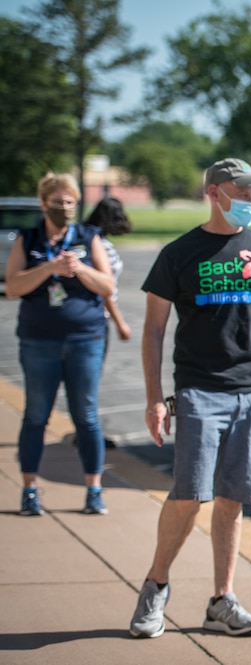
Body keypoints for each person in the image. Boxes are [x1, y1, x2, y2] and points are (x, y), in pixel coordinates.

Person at [128, 158, 251, 639]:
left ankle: (222, 601)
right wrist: (154, 399)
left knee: (232, 499)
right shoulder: (180, 253)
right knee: (189, 495)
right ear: (214, 193)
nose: (250, 200)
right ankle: (156, 585)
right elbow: (154, 329)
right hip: (199, 390)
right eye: (241, 191)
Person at [4, 172, 116, 516]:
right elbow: (12, 287)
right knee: (36, 415)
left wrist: (78, 269)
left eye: (70, 202)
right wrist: (50, 267)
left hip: (85, 339)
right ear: (43, 203)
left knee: (86, 415)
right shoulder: (29, 239)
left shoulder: (88, 236)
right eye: (57, 202)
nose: (64, 208)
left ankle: (94, 490)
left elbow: (107, 285)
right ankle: (30, 490)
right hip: (39, 340)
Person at [83, 197, 133, 344]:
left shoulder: (85, 239)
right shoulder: (100, 246)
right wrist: (120, 323)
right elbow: (105, 288)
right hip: (97, 313)